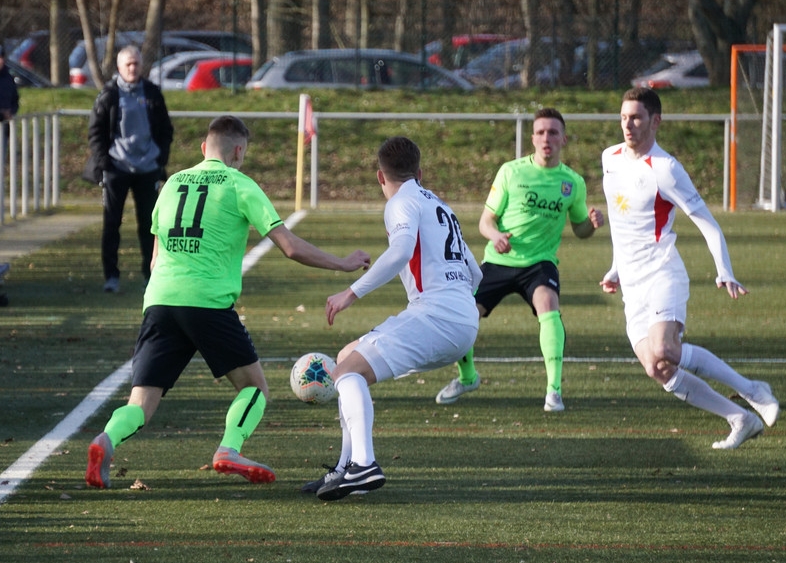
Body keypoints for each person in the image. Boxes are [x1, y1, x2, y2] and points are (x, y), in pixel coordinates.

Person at [84, 115, 371, 489]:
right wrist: (342, 263)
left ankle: (104, 440)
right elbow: (289, 246)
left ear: (204, 148)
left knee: (141, 403)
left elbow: (155, 260)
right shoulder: (239, 184)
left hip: (159, 300)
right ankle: (228, 449)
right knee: (255, 388)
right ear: (238, 151)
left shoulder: (171, 184)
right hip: (207, 303)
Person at [301, 136, 481, 501]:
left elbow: (400, 252)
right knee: (348, 355)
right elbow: (475, 273)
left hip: (438, 315)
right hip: (461, 317)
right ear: (420, 171)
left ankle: (364, 465)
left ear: (380, 177)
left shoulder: (401, 201)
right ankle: (344, 468)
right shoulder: (440, 205)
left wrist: (350, 293)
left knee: (347, 372)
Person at [599, 87, 779, 449]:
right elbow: (623, 224)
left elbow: (707, 222)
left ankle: (753, 390)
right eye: (623, 117)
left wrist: (723, 269)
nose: (628, 125)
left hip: (663, 274)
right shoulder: (610, 158)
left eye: (636, 117)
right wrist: (615, 268)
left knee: (666, 350)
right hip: (632, 287)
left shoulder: (666, 169)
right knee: (657, 368)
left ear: (655, 121)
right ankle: (739, 418)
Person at [435, 107, 605, 412]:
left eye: (553, 132)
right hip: (499, 261)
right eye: (540, 132)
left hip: (539, 264)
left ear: (564, 139)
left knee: (548, 306)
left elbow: (580, 229)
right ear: (532, 138)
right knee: (463, 315)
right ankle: (468, 376)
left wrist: (590, 224)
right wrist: (495, 236)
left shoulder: (572, 182)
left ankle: (554, 391)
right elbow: (486, 221)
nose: (546, 138)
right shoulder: (511, 172)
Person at [85, 44, 173, 293]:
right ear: (119, 67)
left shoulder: (153, 92)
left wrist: (159, 159)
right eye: (128, 64)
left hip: (147, 169)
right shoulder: (109, 94)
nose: (133, 68)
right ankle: (111, 277)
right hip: (117, 168)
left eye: (136, 63)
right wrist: (105, 163)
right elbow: (96, 131)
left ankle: (150, 274)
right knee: (112, 224)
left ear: (141, 65)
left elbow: (166, 129)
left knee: (150, 224)